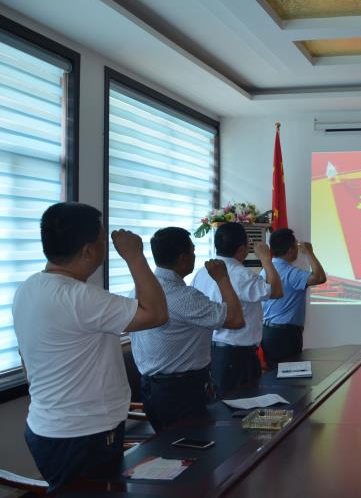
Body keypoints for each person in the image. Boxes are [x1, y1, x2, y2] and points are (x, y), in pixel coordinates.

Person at [13, 202, 168, 491]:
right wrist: (135, 256)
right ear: (87, 251)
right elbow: (157, 314)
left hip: (47, 427)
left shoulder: (28, 288)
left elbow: (26, 356)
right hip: (82, 434)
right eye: (102, 240)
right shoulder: (81, 297)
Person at [132, 227, 245, 432]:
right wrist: (222, 279)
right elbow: (236, 319)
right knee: (192, 446)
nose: (194, 256)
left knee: (170, 447)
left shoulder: (138, 289)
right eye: (193, 252)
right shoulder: (183, 297)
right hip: (181, 391)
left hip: (151, 388)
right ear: (183, 258)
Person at [192, 222, 282, 397]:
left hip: (211, 351)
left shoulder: (201, 272)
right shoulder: (243, 275)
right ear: (242, 249)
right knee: (242, 404)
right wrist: (266, 259)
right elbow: (277, 291)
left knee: (220, 405)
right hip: (237, 355)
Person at [261, 228, 327, 367]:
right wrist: (309, 252)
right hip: (285, 336)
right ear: (290, 250)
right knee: (289, 376)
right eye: (296, 245)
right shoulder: (291, 273)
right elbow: (320, 277)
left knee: (274, 374)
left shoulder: (265, 270)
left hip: (268, 332)